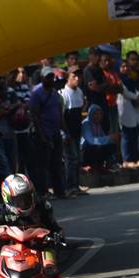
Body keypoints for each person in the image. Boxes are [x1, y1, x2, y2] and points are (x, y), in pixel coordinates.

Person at [29, 67, 67, 194]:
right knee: (42, 164)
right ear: (42, 78)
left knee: (57, 162)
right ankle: (43, 191)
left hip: (55, 132)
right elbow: (35, 115)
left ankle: (59, 190)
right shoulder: (37, 93)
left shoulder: (54, 92)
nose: (50, 79)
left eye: (52, 77)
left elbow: (59, 113)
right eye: (48, 77)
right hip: (43, 133)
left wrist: (65, 130)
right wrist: (42, 135)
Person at [60, 66, 87, 196]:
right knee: (70, 160)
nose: (77, 79)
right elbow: (61, 116)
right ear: (68, 77)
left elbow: (81, 110)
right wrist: (64, 133)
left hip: (77, 131)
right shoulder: (63, 94)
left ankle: (76, 186)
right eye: (74, 76)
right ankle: (69, 187)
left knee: (77, 159)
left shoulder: (79, 92)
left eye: (79, 76)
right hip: (68, 133)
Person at [80, 105, 118, 170]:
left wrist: (112, 139)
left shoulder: (97, 125)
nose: (98, 116)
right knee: (96, 146)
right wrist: (109, 138)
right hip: (84, 152)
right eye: (95, 114)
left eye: (100, 114)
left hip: (94, 150)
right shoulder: (86, 124)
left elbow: (103, 138)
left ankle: (108, 164)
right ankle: (92, 165)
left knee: (111, 144)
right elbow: (91, 141)